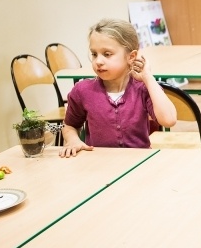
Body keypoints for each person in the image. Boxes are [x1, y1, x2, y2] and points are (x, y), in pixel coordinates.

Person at [60, 19, 177, 157]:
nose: (98, 61)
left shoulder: (143, 88)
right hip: (99, 164)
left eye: (107, 54)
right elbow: (70, 125)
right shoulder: (82, 91)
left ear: (131, 56)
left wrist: (148, 77)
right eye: (94, 54)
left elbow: (169, 120)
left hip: (138, 163)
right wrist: (73, 140)